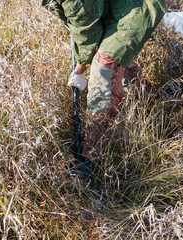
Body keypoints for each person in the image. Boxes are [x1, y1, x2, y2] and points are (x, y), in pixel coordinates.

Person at [42, 0, 166, 166]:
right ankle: (151, 101)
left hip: (136, 9)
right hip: (113, 11)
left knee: (104, 68)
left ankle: (91, 154)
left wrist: (80, 69)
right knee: (114, 54)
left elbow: (87, 29)